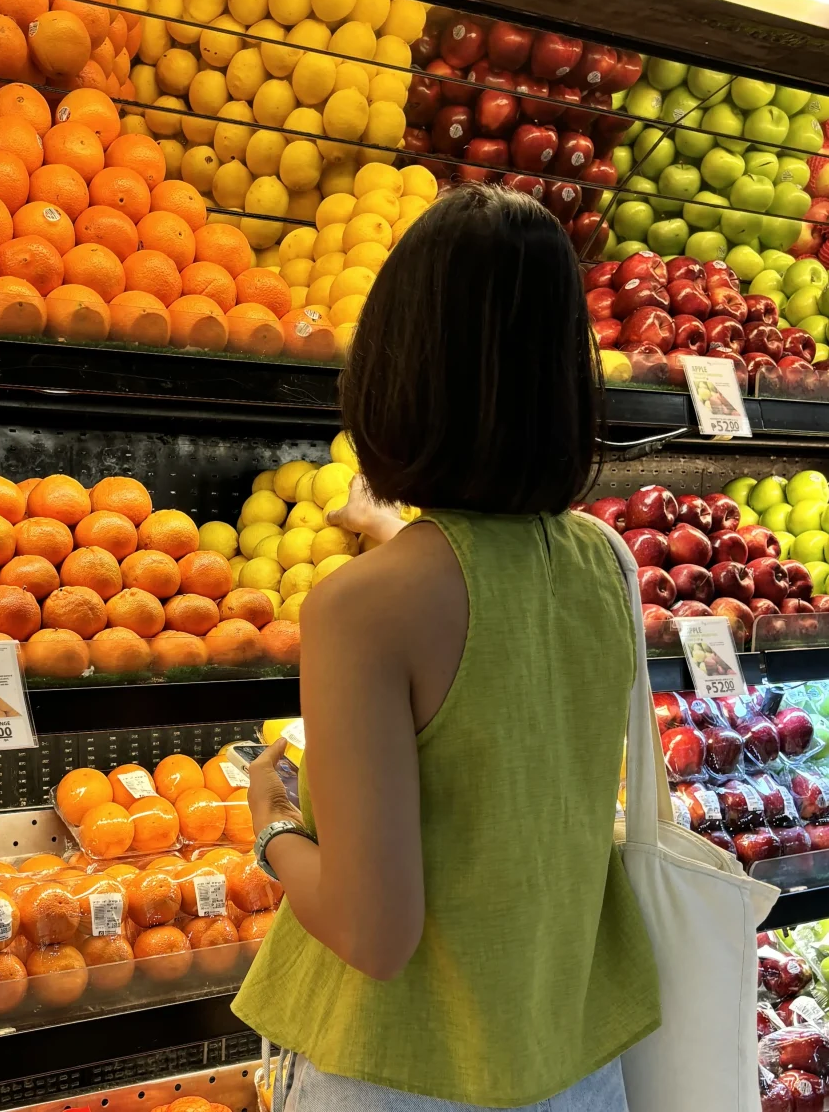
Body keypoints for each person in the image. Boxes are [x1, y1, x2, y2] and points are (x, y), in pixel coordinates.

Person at [232, 184, 660, 1112]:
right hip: (575, 1061)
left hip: (408, 1075)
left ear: (394, 364)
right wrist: (394, 533)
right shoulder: (606, 564)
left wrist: (270, 829)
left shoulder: (360, 611)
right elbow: (490, 614)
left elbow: (373, 931)